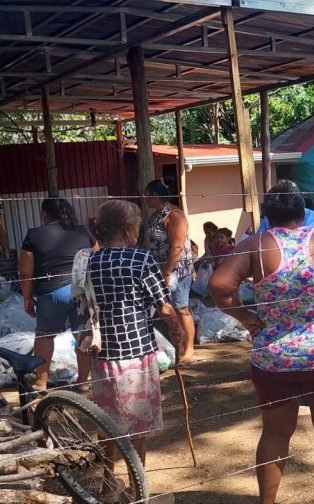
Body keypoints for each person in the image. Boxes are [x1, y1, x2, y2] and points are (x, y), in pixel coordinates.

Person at [208, 180, 314, 504]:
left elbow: (220, 285)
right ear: (303, 211)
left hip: (273, 357)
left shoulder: (256, 245)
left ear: (268, 213)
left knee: (276, 433)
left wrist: (247, 317)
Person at [87, 200, 181, 504]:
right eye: (137, 226)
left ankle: (107, 483)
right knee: (135, 428)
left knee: (107, 421)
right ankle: (136, 488)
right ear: (128, 230)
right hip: (136, 353)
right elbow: (164, 305)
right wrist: (177, 330)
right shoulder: (140, 258)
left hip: (103, 354)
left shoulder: (92, 261)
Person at [19, 198, 95, 391]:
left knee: (45, 336)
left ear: (45, 214)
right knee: (83, 334)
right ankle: (83, 381)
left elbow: (26, 272)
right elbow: (97, 257)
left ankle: (40, 382)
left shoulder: (34, 235)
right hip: (81, 291)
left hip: (51, 294)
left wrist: (27, 298)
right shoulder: (83, 231)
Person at [144, 180, 196, 363]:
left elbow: (177, 246)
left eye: (147, 194)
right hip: (158, 270)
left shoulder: (174, 215)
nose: (145, 198)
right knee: (164, 308)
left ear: (155, 195)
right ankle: (177, 343)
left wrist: (167, 271)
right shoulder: (156, 216)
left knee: (181, 308)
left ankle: (189, 348)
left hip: (177, 270)